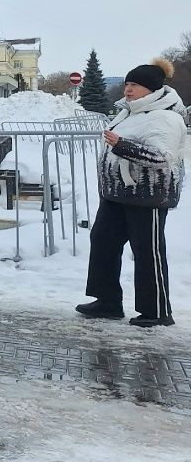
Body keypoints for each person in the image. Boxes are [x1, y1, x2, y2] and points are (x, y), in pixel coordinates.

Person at [76, 59, 185, 328]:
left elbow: (163, 157)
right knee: (103, 242)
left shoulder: (166, 117)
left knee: (147, 252)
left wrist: (122, 145)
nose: (128, 89)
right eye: (127, 84)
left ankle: (157, 311)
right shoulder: (129, 113)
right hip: (117, 194)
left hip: (148, 195)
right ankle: (107, 301)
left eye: (135, 85)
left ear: (152, 89)